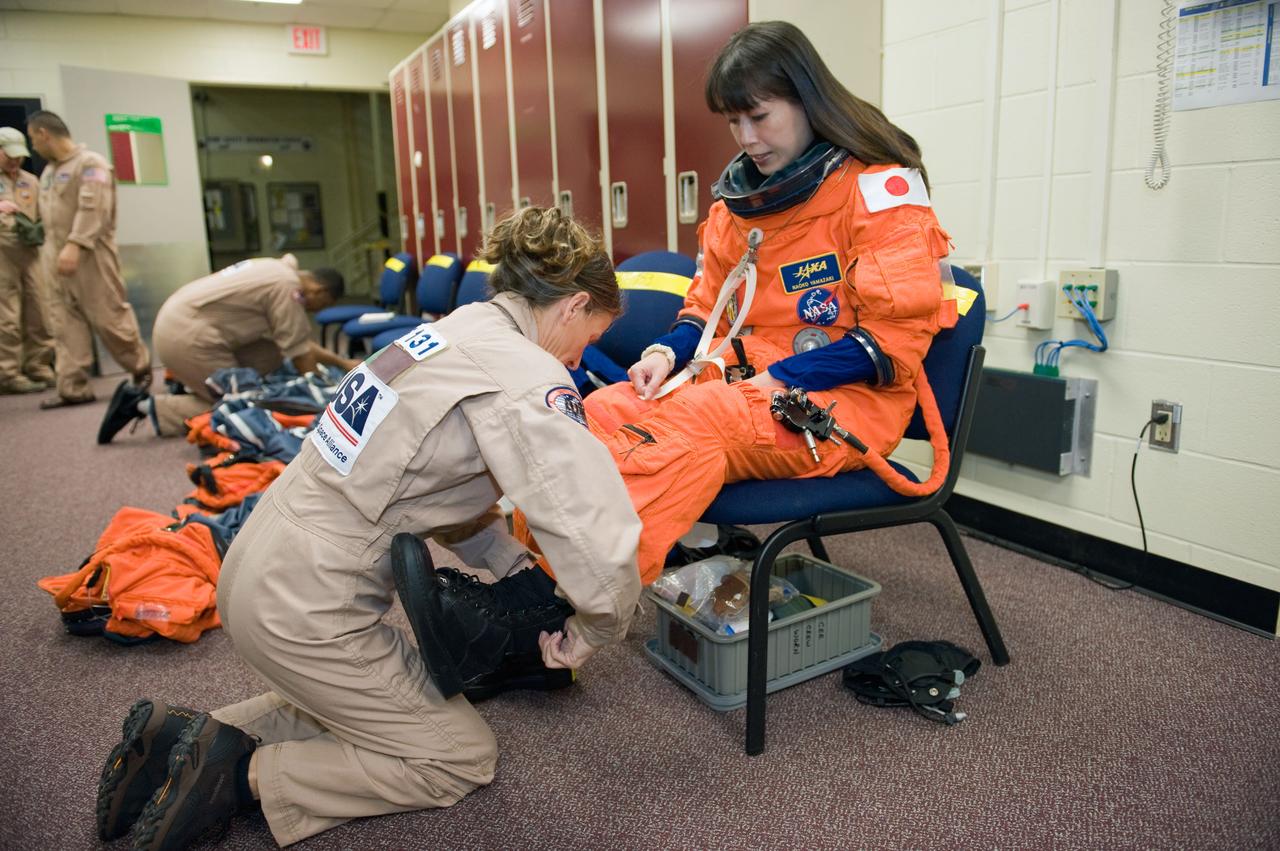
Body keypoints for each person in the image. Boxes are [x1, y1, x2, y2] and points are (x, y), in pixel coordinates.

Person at [413, 20, 960, 689]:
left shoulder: (877, 192)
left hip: (844, 404)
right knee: (603, 409)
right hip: (752, 389)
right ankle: (529, 581)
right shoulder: (739, 211)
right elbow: (705, 310)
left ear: (808, 99)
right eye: (734, 122)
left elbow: (895, 345)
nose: (747, 140)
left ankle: (541, 617)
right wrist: (665, 356)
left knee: (690, 429)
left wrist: (774, 376)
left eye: (759, 116)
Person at [95, 206, 643, 850]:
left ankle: (185, 740)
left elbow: (436, 485)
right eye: (588, 339)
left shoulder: (449, 332)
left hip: (259, 562)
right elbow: (589, 529)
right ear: (574, 305)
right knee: (456, 755)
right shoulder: (525, 376)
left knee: (378, 701)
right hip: (308, 602)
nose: (581, 359)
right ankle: (235, 776)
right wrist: (594, 628)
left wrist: (509, 564)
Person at [97, 255, 362, 444]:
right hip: (189, 338)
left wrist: (340, 363)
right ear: (319, 290)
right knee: (242, 406)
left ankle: (192, 382)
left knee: (271, 358)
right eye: (324, 304)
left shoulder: (277, 270)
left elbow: (298, 341)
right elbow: (301, 354)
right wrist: (326, 398)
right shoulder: (287, 290)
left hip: (181, 322)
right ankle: (142, 405)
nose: (318, 312)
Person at [26, 110, 152, 409]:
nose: (34, 147)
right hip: (54, 259)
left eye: (33, 139)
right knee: (64, 323)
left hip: (89, 256)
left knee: (109, 316)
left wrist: (76, 245)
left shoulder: (91, 165)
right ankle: (72, 387)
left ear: (44, 133)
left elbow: (93, 209)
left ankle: (140, 368)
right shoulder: (48, 172)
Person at [0, 125, 56, 394]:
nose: (14, 160)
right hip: (2, 256)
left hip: (32, 253)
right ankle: (8, 373)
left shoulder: (30, 181)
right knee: (6, 316)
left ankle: (38, 365)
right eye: (8, 155)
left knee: (39, 311)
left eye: (18, 155)